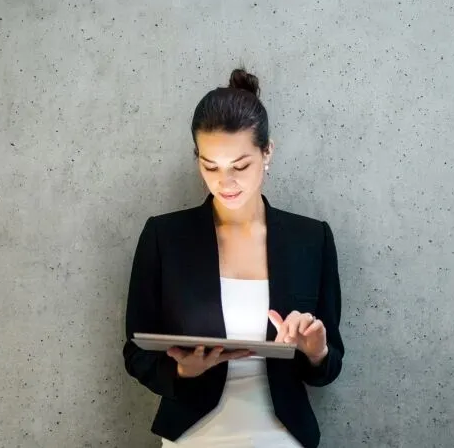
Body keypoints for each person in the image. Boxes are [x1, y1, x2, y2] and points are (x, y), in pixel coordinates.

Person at [122, 68, 345, 448]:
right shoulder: (165, 236)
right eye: (211, 167)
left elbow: (328, 368)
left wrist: (316, 351)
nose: (226, 183)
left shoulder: (311, 239)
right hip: (193, 435)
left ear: (267, 151)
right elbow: (135, 351)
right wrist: (181, 369)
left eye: (240, 166)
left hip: (282, 435)